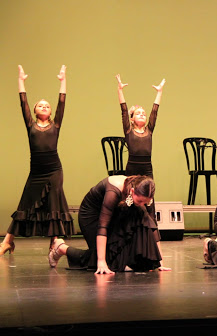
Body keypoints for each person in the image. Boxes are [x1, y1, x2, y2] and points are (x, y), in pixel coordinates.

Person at [1, 65, 75, 257]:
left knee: (54, 205)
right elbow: (22, 102)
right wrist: (21, 81)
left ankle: (54, 244)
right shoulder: (30, 124)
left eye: (47, 105)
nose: (44, 106)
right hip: (36, 172)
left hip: (54, 171)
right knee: (24, 204)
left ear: (50, 112)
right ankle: (8, 241)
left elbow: (62, 103)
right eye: (40, 105)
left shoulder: (56, 125)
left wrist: (62, 81)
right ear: (34, 111)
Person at [47, 175, 171, 274]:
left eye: (146, 202)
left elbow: (151, 225)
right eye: (140, 201)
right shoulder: (114, 190)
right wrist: (101, 261)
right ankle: (61, 248)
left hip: (116, 213)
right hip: (92, 216)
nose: (143, 204)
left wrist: (160, 261)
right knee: (102, 261)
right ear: (132, 191)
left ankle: (118, 260)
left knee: (141, 214)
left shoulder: (146, 195)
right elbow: (103, 225)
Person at [116, 74, 165, 223]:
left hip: (147, 169)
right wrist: (120, 90)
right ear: (132, 119)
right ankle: (129, 226)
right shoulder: (129, 131)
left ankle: (150, 228)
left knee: (149, 198)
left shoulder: (149, 130)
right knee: (130, 198)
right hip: (132, 169)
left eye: (143, 113)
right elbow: (123, 110)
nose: (142, 115)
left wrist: (159, 92)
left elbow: (154, 112)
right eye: (138, 113)